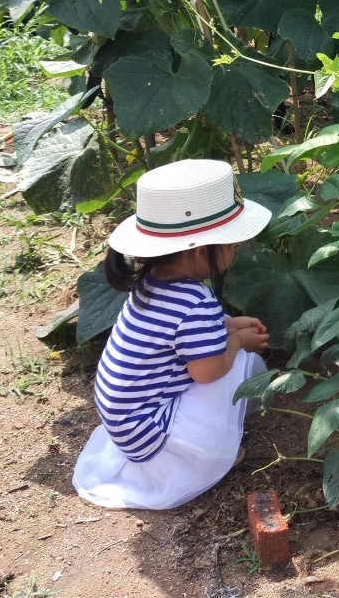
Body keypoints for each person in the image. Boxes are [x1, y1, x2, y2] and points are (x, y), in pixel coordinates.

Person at [72, 159, 273, 510]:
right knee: (243, 365)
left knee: (228, 352)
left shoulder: (152, 282)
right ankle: (206, 454)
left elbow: (172, 337)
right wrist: (239, 340)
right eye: (231, 243)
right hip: (155, 438)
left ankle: (212, 435)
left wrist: (229, 325)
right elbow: (207, 371)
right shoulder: (196, 300)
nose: (236, 248)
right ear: (200, 252)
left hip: (127, 427)